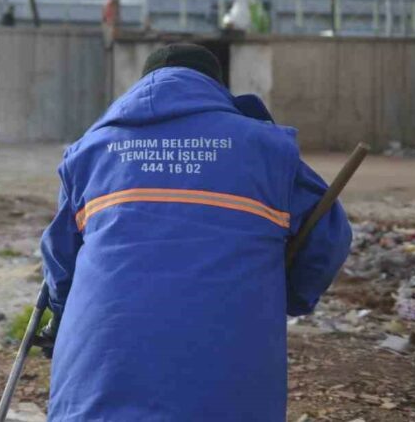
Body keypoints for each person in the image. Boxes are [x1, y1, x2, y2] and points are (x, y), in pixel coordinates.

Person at [38, 43, 352, 421]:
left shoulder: (91, 150)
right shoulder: (266, 148)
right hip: (228, 380)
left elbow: (61, 261)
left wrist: (60, 318)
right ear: (216, 87)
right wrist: (289, 294)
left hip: (98, 378)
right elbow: (329, 238)